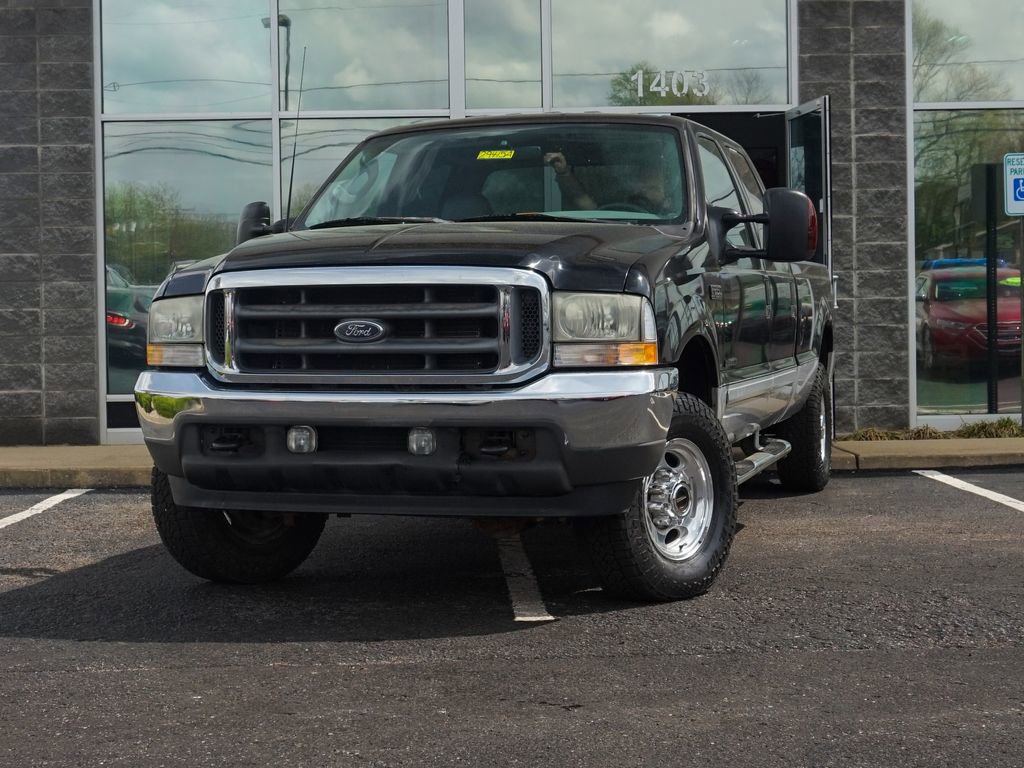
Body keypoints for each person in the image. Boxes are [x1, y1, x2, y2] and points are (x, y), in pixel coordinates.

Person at [544, 151, 672, 215]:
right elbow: (583, 202)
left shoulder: (674, 221)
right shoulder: (597, 217)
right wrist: (564, 173)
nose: (645, 190)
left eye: (653, 188)